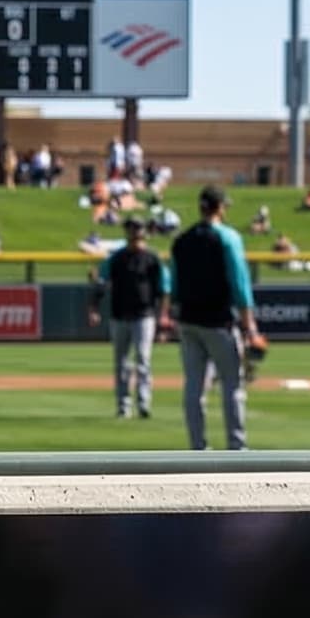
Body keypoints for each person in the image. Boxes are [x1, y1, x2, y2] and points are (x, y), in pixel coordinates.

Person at [163, 185, 258, 451]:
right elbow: (240, 284)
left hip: (189, 322)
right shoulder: (228, 238)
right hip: (219, 322)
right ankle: (237, 446)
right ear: (220, 207)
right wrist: (249, 324)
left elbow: (175, 285)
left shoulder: (181, 240)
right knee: (232, 385)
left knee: (194, 385)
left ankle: (198, 447)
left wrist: (173, 315)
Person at [96, 219, 170, 419]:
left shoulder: (152, 258)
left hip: (144, 316)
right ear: (127, 231)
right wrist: (94, 306)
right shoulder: (116, 258)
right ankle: (123, 406)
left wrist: (163, 314)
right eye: (132, 228)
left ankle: (144, 404)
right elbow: (101, 282)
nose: (135, 232)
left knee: (143, 360)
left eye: (138, 228)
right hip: (119, 315)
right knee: (121, 363)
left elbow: (164, 289)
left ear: (144, 232)